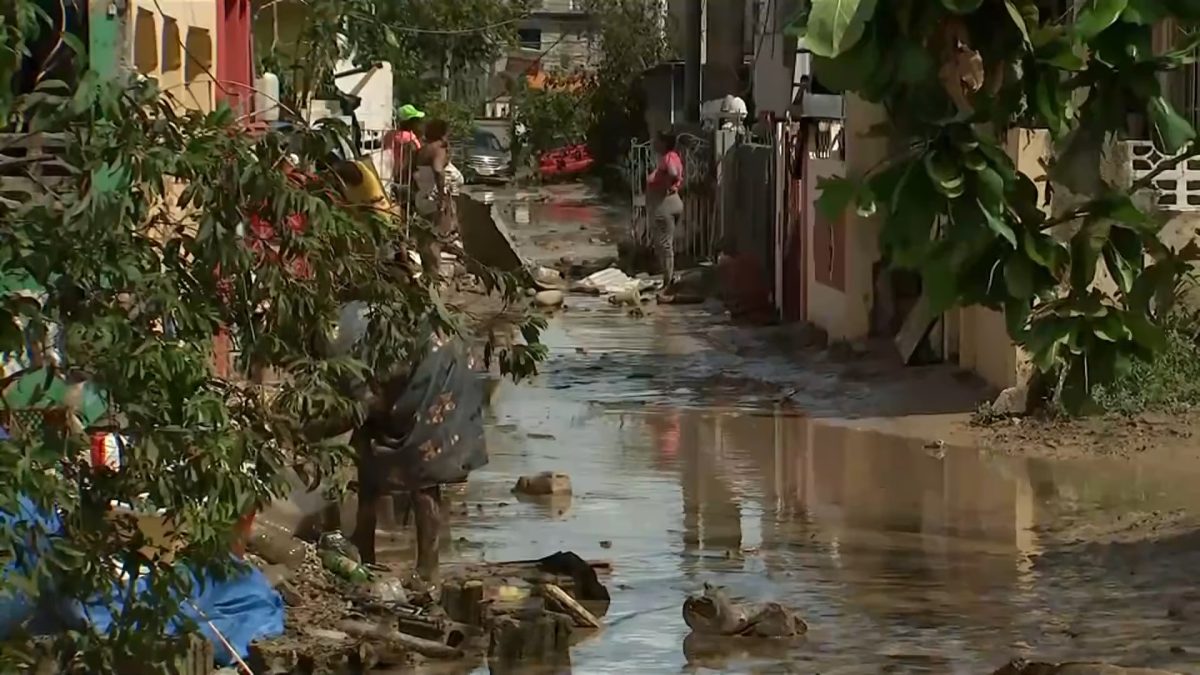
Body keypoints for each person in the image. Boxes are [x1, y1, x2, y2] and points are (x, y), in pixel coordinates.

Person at [414, 119, 465, 281]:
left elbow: (411, 171)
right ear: (443, 133)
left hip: (422, 196)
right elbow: (438, 170)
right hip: (434, 197)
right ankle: (434, 278)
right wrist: (442, 197)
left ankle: (428, 274)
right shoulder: (438, 149)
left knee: (426, 238)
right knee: (434, 239)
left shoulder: (423, 150)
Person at [646, 130, 684, 292]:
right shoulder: (674, 156)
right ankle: (668, 278)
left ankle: (667, 281)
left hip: (665, 203)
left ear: (663, 143)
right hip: (674, 201)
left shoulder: (668, 158)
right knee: (665, 243)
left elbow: (673, 173)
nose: (654, 143)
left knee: (664, 244)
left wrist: (666, 184)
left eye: (657, 140)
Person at [384, 104, 425, 194]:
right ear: (411, 122)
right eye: (417, 121)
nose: (420, 123)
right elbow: (415, 156)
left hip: (389, 173)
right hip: (406, 175)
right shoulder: (409, 138)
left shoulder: (389, 135)